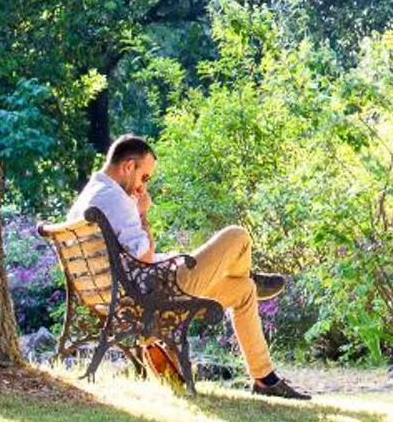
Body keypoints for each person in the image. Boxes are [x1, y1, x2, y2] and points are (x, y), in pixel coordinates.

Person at [67, 134, 311, 400]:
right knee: (237, 235)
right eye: (144, 177)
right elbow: (145, 259)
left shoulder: (91, 195)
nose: (142, 186)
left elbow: (131, 260)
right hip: (151, 298)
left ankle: (265, 379)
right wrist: (142, 214)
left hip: (126, 295)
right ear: (128, 167)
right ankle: (243, 271)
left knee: (244, 291)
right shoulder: (116, 199)